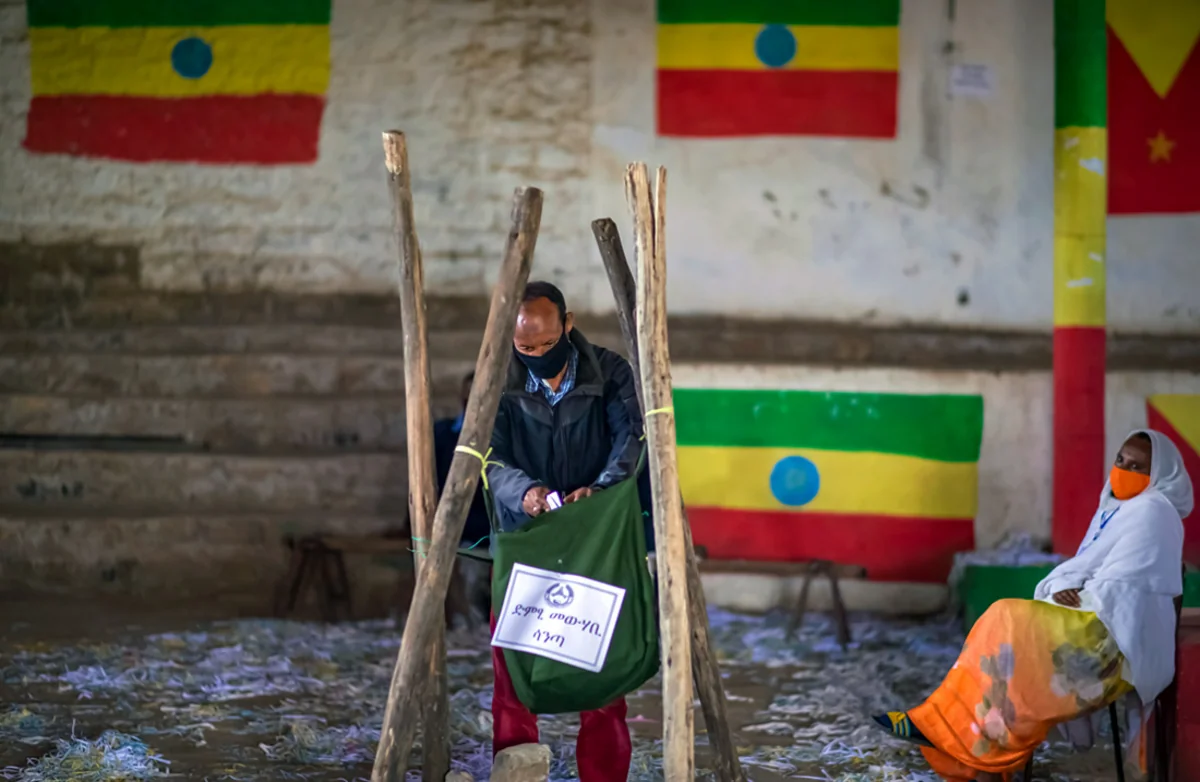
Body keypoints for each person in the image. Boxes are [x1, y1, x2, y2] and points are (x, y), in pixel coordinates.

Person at [872, 429, 1192, 781]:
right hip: (1089, 619)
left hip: (1111, 645)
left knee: (1006, 618)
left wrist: (1076, 593)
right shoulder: (1115, 510)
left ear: (1160, 475)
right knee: (1005, 634)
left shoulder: (1152, 511)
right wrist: (1062, 589)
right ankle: (960, 741)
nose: (1124, 470)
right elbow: (1080, 569)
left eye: (1138, 467)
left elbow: (1125, 593)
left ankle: (951, 735)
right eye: (1121, 460)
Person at [485, 281, 646, 782]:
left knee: (600, 673)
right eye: (524, 347)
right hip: (524, 538)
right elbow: (488, 458)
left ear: (568, 324)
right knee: (514, 674)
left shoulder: (610, 373)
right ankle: (517, 770)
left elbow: (631, 441)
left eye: (546, 344)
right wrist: (526, 493)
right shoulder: (497, 379)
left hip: (593, 538)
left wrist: (598, 491)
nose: (534, 354)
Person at [432, 371, 492, 622]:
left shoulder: (501, 435)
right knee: (471, 583)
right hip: (461, 529)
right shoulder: (445, 434)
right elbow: (431, 479)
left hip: (497, 528)